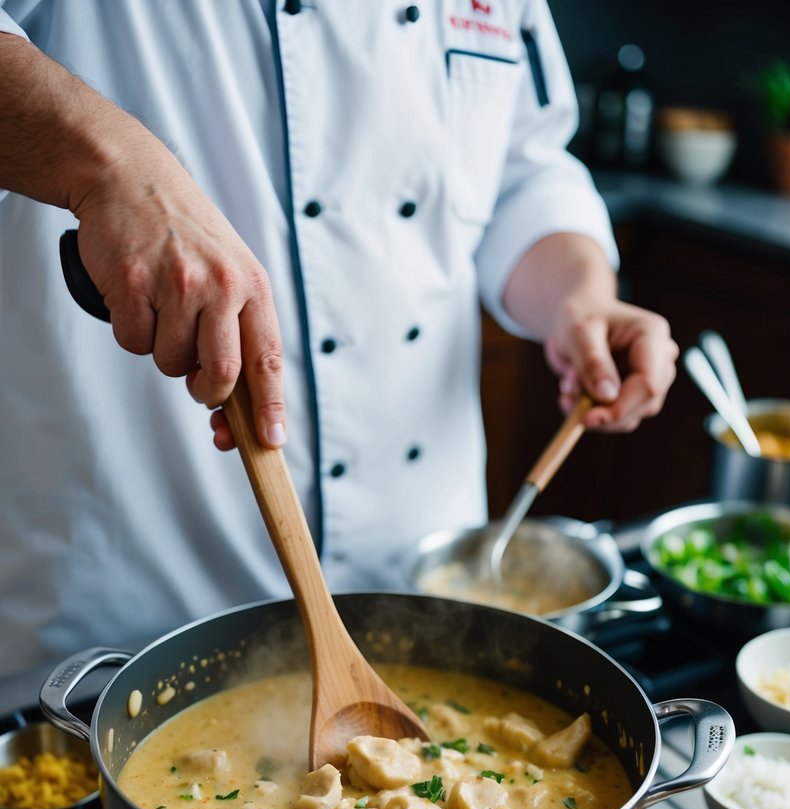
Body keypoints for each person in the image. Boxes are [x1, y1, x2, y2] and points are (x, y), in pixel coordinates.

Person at [0, 0, 678, 687]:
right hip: (132, 578)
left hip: (425, 572)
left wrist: (581, 294)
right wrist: (113, 168)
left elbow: (522, 171)